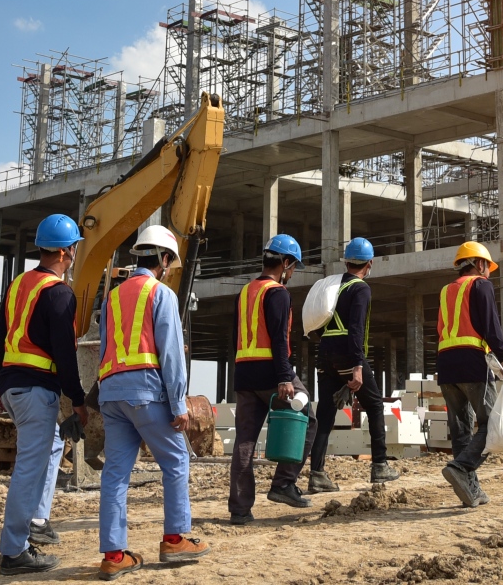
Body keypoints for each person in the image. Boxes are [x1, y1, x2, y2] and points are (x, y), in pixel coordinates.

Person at [94, 223, 209, 578]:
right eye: (169, 262)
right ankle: (174, 539)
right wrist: (178, 405)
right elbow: (171, 355)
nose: (169, 268)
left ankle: (114, 557)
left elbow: (103, 349)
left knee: (115, 475)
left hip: (111, 393)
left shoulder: (111, 297)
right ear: (162, 258)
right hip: (146, 391)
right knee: (175, 460)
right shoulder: (161, 294)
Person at [0, 213, 87, 573]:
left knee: (49, 449)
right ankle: (14, 550)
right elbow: (64, 351)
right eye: (74, 248)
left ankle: (36, 523)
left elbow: (0, 337)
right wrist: (77, 400)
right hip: (34, 389)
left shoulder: (18, 285)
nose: (74, 254)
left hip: (14, 387)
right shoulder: (59, 293)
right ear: (65, 252)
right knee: (30, 468)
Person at [226, 233, 314, 523]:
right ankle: (284, 483)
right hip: (271, 373)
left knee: (244, 442)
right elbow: (279, 339)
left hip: (244, 374)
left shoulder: (246, 291)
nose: (292, 273)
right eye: (293, 267)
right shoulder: (277, 293)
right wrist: (284, 377)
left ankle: (240, 510)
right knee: (309, 418)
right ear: (285, 262)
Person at [308, 235, 399, 490]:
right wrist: (357, 366)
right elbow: (356, 328)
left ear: (347, 262)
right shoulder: (361, 288)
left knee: (325, 413)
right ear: (369, 264)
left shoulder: (332, 287)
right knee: (374, 405)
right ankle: (380, 465)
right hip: (348, 353)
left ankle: (317, 474)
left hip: (325, 352)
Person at [434, 241, 503, 508]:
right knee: (491, 424)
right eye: (487, 267)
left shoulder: (446, 290)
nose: (489, 272)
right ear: (479, 264)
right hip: (472, 362)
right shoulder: (481, 285)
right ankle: (461, 467)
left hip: (446, 364)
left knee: (461, 431)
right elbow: (492, 324)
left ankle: (470, 489)